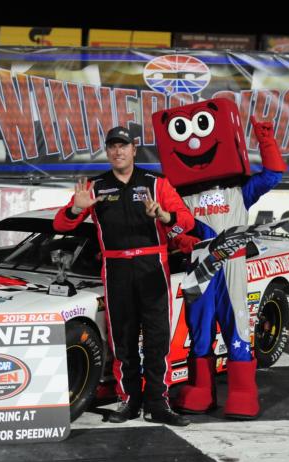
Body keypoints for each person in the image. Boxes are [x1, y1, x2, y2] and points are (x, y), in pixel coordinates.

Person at [152, 99, 287, 419]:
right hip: (198, 266)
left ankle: (243, 391)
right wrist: (181, 239)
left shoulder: (239, 189)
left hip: (232, 263)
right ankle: (201, 390)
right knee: (198, 328)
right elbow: (170, 225)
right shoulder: (176, 192)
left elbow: (272, 176)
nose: (195, 141)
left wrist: (265, 138)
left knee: (237, 324)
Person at [53, 126, 194, 426]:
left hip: (153, 267)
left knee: (158, 339)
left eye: (123, 146)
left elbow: (186, 221)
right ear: (107, 151)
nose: (118, 152)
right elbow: (61, 225)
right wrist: (77, 209)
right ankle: (129, 402)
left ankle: (158, 404)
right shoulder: (94, 186)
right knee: (122, 341)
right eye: (112, 147)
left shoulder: (157, 184)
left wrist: (164, 217)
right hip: (116, 269)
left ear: (134, 148)